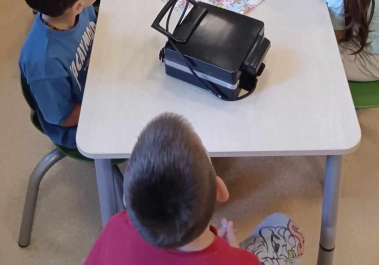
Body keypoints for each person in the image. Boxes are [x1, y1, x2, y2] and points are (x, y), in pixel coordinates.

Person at [84, 112, 305, 265]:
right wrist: (233, 253)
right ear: (220, 190)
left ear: (127, 199)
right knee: (283, 226)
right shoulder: (241, 262)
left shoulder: (115, 228)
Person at [18, 0, 100, 147]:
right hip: (79, 125)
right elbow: (62, 117)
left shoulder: (75, 9)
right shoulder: (45, 63)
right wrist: (110, 101)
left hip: (100, 77)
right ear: (78, 6)